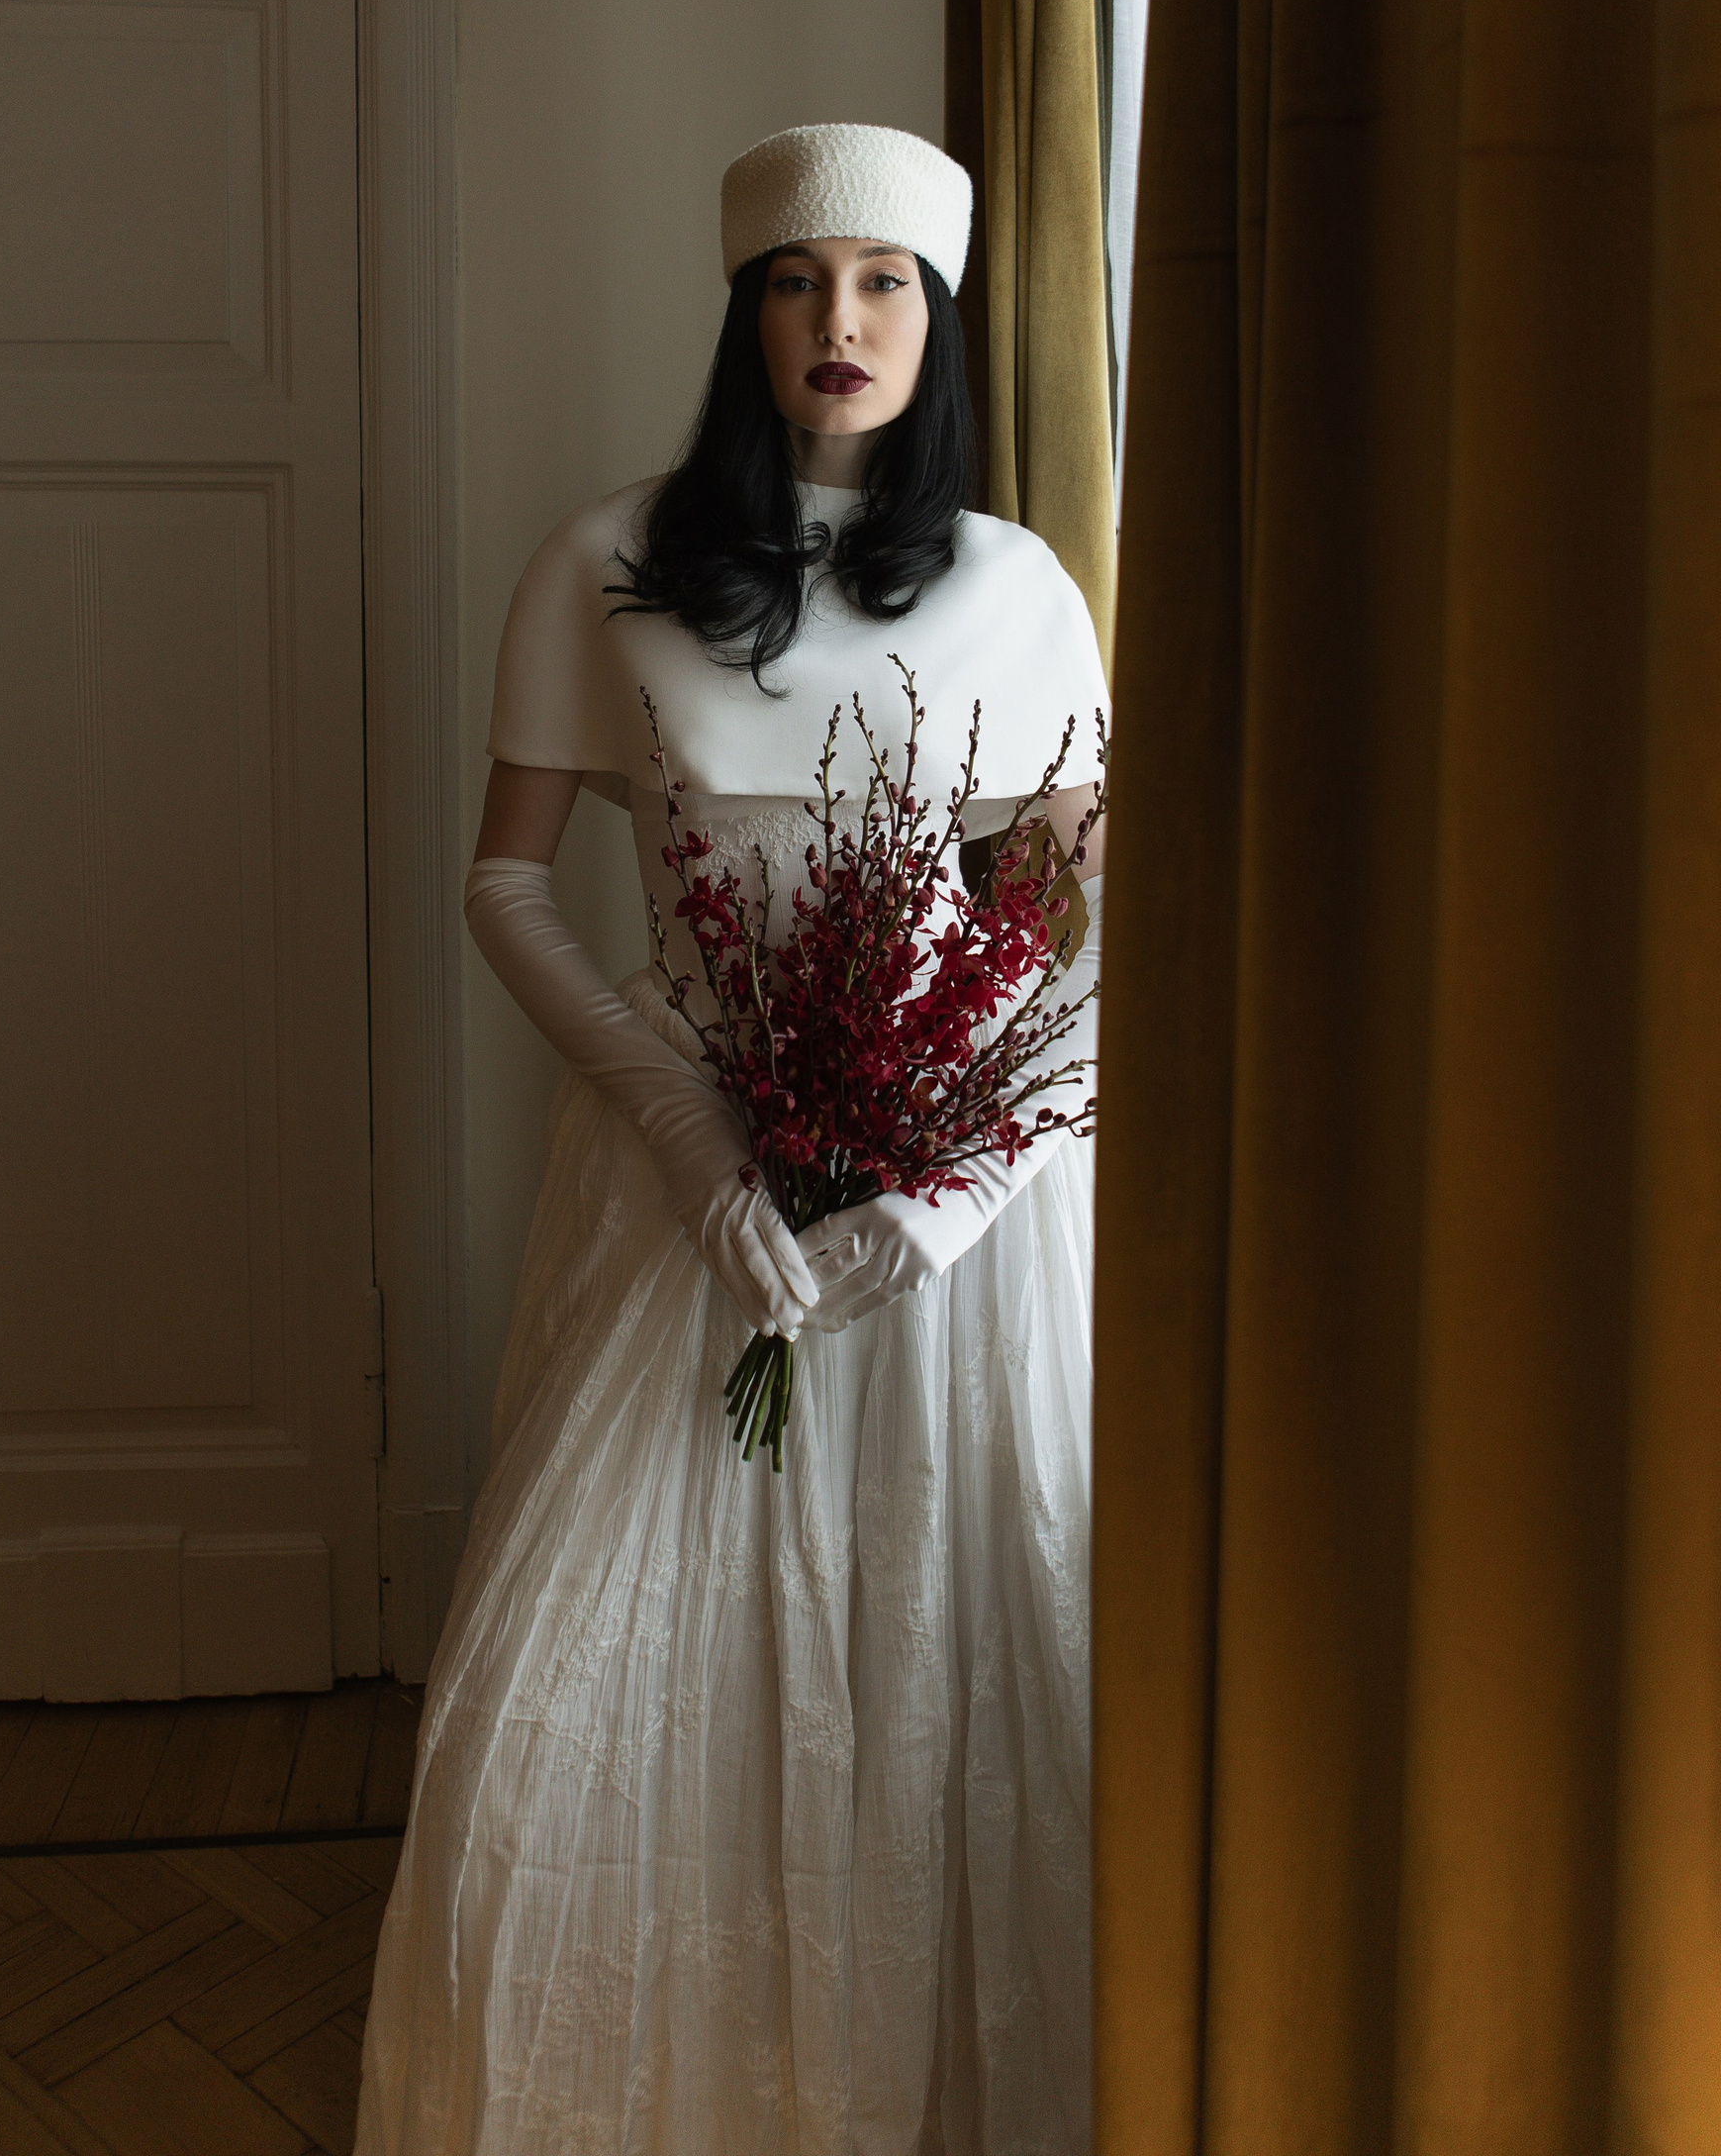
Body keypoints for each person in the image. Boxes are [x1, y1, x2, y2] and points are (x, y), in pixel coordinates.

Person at [355, 123, 1108, 2156]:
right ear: (743, 312)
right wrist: (684, 1130)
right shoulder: (606, 564)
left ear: (937, 320)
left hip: (948, 1212)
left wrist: (962, 1182)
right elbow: (507, 883)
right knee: (576, 1691)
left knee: (956, 1646)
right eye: (795, 281)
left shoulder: (1018, 587)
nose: (836, 320)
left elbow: (1096, 929)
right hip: (685, 1178)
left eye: (881, 283)